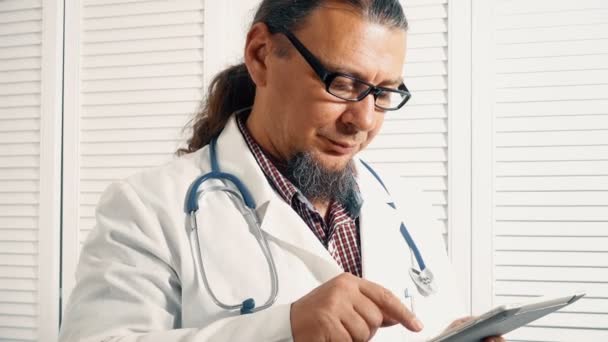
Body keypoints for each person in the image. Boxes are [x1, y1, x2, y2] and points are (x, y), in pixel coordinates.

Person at [59, 1, 505, 341]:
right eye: (343, 83)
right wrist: (283, 329)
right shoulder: (146, 208)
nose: (364, 120)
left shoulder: (406, 205)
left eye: (384, 92)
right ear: (261, 55)